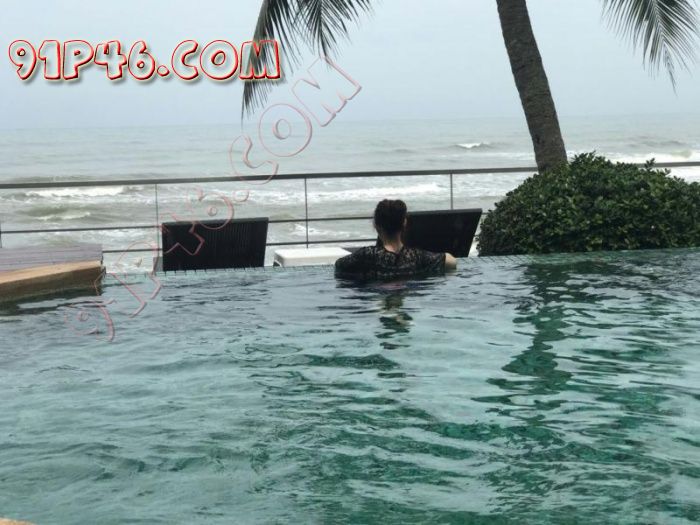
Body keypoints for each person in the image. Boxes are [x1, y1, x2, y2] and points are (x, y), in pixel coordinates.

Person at [335, 199, 457, 279]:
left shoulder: (366, 256)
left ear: (377, 226)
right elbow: (451, 261)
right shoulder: (417, 257)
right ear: (404, 224)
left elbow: (339, 265)